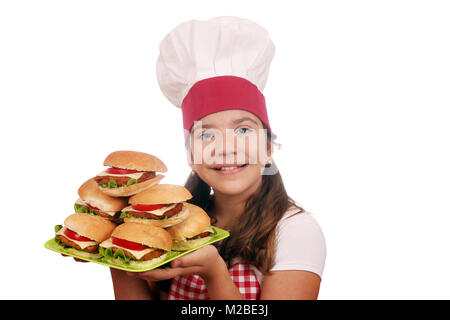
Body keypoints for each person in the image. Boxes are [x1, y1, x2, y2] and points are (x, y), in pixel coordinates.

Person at [110, 16, 326, 300]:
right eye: (206, 135)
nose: (226, 148)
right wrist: (116, 252)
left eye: (244, 129)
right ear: (191, 155)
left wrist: (215, 273)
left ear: (269, 147)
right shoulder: (172, 221)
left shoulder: (295, 231)